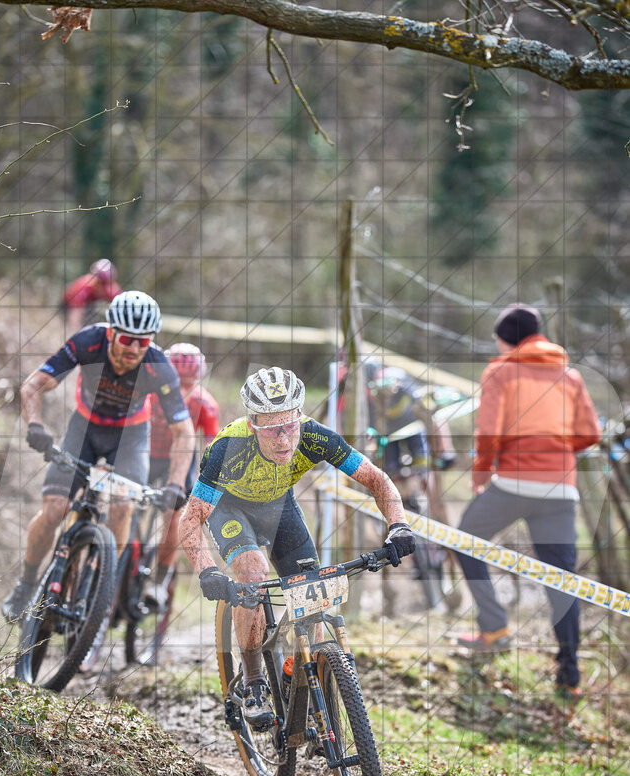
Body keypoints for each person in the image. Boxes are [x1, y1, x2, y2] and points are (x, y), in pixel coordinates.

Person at [179, 366, 416, 731]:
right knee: (254, 574)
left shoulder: (317, 437)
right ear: (253, 423)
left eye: (290, 425)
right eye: (272, 429)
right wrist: (207, 569)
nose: (284, 439)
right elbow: (191, 517)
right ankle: (255, 681)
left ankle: (296, 677)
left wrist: (398, 525)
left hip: (279, 506)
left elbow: (376, 479)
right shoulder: (228, 448)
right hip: (231, 508)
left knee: (313, 596)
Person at [2, 290, 195, 623]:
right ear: (110, 333)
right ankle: (27, 583)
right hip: (84, 430)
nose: (134, 349)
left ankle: (101, 584)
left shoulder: (158, 365)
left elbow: (184, 432)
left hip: (131, 437)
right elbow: (33, 385)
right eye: (126, 339)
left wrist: (177, 484)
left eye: (143, 341)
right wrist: (35, 426)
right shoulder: (88, 342)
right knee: (53, 511)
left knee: (122, 508)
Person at [455, 303, 602, 701]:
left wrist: (482, 474)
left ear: (506, 338)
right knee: (560, 579)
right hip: (561, 490)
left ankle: (495, 626)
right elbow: (590, 434)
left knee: (464, 539)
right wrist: (555, 448)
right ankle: (569, 674)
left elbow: (488, 433)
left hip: (515, 483)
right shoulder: (568, 375)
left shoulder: (501, 371)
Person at [367, 364, 456, 608]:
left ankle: (440, 557)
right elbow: (367, 437)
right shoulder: (373, 406)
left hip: (415, 442)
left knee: (430, 490)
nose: (386, 399)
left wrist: (446, 453)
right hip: (389, 449)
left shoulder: (412, 397)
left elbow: (436, 421)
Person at [146, 343, 220, 607]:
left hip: (180, 459)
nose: (182, 391)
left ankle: (160, 580)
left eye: (188, 384)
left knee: (176, 516)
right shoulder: (151, 392)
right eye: (178, 383)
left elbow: (213, 444)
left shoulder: (205, 403)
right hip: (146, 453)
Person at [61, 259, 122, 337]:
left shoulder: (111, 290)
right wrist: (76, 335)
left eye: (105, 284)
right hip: (67, 304)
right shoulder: (83, 288)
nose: (101, 287)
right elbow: (75, 314)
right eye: (99, 282)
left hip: (89, 306)